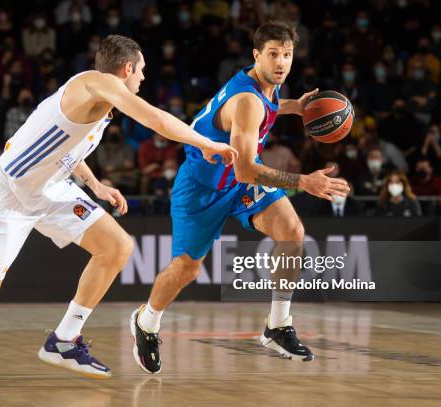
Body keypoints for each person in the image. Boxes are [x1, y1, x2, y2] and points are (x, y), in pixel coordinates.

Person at [0, 34, 236, 385]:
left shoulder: (97, 102)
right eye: (141, 70)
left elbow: (62, 148)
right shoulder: (96, 83)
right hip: (2, 198)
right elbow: (156, 120)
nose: (143, 77)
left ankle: (65, 339)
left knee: (117, 246)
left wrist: (95, 185)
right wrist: (207, 144)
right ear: (126, 68)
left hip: (49, 192)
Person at [129, 21, 349, 374]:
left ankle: (277, 324)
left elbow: (266, 118)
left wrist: (296, 106)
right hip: (204, 186)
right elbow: (247, 168)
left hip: (240, 179)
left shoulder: (268, 85)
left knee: (292, 232)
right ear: (256, 55)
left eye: (287, 55)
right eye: (273, 54)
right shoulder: (247, 101)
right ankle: (147, 320)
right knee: (187, 268)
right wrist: (302, 181)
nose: (281, 62)